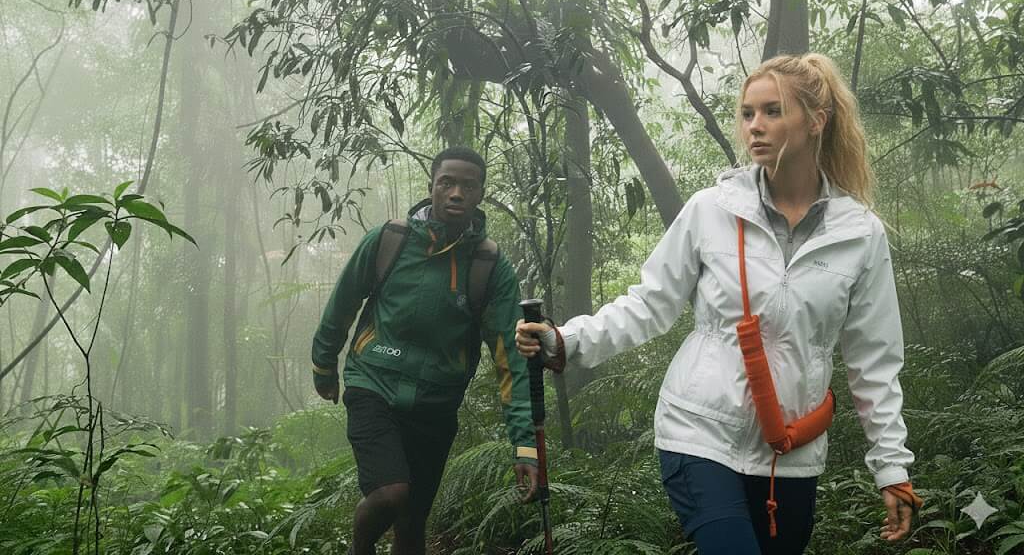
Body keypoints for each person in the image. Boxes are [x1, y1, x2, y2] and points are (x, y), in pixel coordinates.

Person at [516, 54, 922, 555]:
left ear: (816, 121)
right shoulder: (712, 210)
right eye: (748, 113)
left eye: (773, 111)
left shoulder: (860, 233)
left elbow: (874, 362)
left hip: (790, 451)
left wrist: (892, 469)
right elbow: (650, 303)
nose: (755, 126)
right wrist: (568, 341)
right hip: (700, 432)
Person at [312, 146, 538, 555]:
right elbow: (344, 301)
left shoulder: (489, 265)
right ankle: (359, 548)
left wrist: (524, 445)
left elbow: (510, 359)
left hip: (436, 402)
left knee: (413, 524)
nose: (455, 193)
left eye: (467, 186)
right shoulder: (390, 240)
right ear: (431, 187)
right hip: (373, 384)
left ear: (480, 194)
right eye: (446, 183)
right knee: (391, 493)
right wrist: (323, 365)